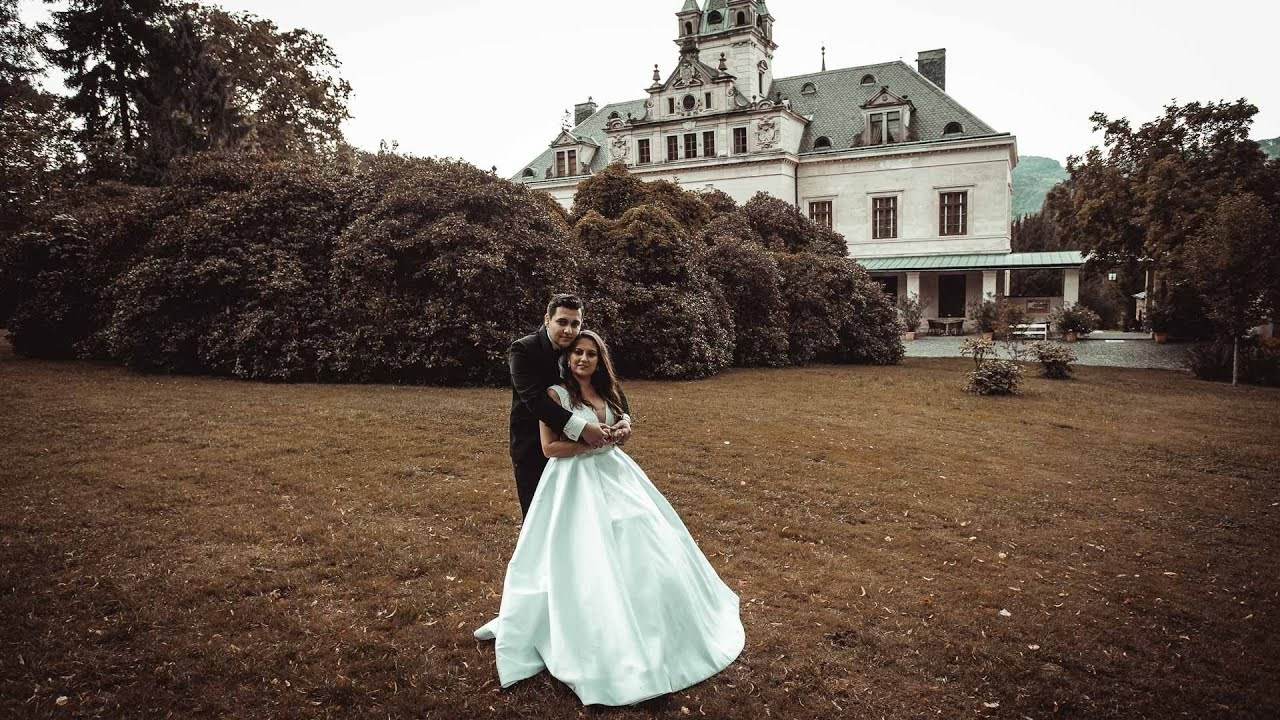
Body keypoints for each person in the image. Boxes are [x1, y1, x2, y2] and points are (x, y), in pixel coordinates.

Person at [476, 330, 744, 706]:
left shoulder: (609, 393)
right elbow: (549, 448)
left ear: (600, 360)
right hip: (574, 482)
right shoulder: (556, 395)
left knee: (641, 536)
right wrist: (589, 443)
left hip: (617, 476)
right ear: (567, 358)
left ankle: (660, 626)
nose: (583, 359)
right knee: (589, 549)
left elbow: (623, 428)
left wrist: (621, 432)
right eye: (577, 353)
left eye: (591, 354)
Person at [507, 294, 630, 518]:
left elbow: (608, 383)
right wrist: (583, 428)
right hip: (533, 445)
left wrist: (625, 419)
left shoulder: (577, 344)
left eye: (575, 324)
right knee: (539, 516)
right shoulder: (523, 350)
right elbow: (535, 400)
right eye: (562, 322)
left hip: (581, 457)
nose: (569, 330)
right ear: (547, 319)